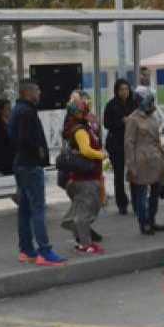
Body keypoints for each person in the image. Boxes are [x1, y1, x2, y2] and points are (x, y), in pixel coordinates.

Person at [10, 82, 66, 266]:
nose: (40, 93)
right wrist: (40, 151)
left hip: (21, 164)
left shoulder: (17, 109)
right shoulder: (27, 112)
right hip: (30, 165)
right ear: (28, 93)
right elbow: (26, 138)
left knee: (25, 209)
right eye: (37, 90)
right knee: (38, 208)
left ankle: (26, 249)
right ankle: (44, 250)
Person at [63, 99, 106, 254]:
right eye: (83, 112)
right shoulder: (80, 130)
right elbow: (86, 150)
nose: (86, 114)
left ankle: (81, 241)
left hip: (81, 178)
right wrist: (101, 155)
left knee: (81, 211)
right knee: (86, 212)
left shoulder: (75, 128)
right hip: (86, 179)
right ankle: (86, 244)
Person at [126, 87, 164, 235]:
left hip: (155, 159)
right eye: (149, 99)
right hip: (141, 160)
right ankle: (144, 223)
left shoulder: (152, 117)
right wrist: (131, 166)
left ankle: (152, 219)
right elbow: (128, 144)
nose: (151, 102)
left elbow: (157, 140)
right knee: (141, 194)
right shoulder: (133, 119)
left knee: (155, 192)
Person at [103, 79, 136, 215]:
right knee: (119, 174)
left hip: (132, 143)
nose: (125, 92)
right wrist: (121, 122)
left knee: (135, 173)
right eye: (122, 89)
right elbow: (106, 123)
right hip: (116, 143)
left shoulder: (134, 103)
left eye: (127, 89)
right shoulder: (111, 105)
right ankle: (122, 203)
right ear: (117, 90)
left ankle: (137, 201)